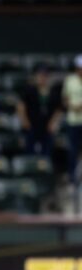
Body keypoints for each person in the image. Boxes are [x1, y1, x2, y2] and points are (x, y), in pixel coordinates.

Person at [17, 64, 63, 157]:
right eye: (40, 76)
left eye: (45, 76)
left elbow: (59, 109)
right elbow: (21, 106)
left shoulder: (54, 92)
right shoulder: (29, 90)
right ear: (36, 77)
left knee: (46, 152)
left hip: (47, 126)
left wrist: (54, 122)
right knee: (30, 151)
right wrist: (24, 120)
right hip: (32, 124)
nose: (42, 78)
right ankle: (30, 170)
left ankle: (45, 169)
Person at [62, 54, 82, 183]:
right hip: (73, 120)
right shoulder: (70, 80)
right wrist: (73, 106)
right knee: (73, 149)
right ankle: (72, 176)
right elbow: (65, 99)